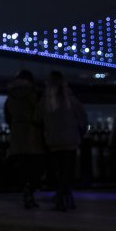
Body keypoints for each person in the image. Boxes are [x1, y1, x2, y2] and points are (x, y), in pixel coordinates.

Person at [35, 71, 87, 212]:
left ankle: (62, 199)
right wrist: (79, 134)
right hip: (71, 139)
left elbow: (37, 119)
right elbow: (82, 119)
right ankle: (65, 198)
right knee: (68, 171)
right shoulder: (71, 99)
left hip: (53, 141)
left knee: (59, 172)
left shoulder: (46, 101)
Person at [4, 70, 45, 209]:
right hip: (33, 133)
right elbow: (40, 113)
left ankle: (25, 190)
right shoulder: (34, 94)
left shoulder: (10, 97)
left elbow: (8, 118)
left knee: (22, 166)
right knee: (35, 166)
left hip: (17, 134)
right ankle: (31, 191)